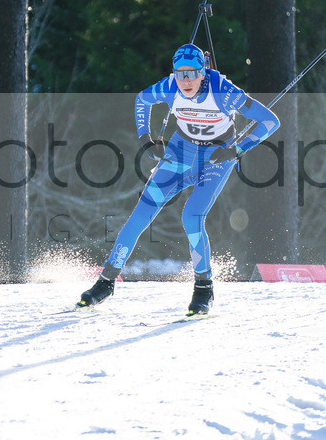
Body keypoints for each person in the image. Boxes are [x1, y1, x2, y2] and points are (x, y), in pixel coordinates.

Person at [78, 43, 280, 315]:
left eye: (191, 73)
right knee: (141, 213)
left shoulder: (223, 91)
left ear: (203, 72)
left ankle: (204, 289)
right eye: (179, 73)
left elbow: (269, 121)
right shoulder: (170, 86)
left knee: (191, 216)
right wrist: (145, 140)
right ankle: (106, 282)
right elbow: (142, 99)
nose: (185, 81)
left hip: (215, 158)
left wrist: (236, 149)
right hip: (180, 152)